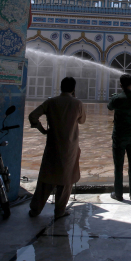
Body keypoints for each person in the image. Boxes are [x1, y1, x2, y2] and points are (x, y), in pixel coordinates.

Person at [28, 76, 86, 218]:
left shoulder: (51, 102)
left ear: (60, 87)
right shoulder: (77, 103)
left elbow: (33, 116)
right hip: (69, 147)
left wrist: (43, 130)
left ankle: (35, 209)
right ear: (73, 88)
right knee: (66, 179)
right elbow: (82, 120)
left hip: (53, 145)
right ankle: (59, 211)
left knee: (47, 177)